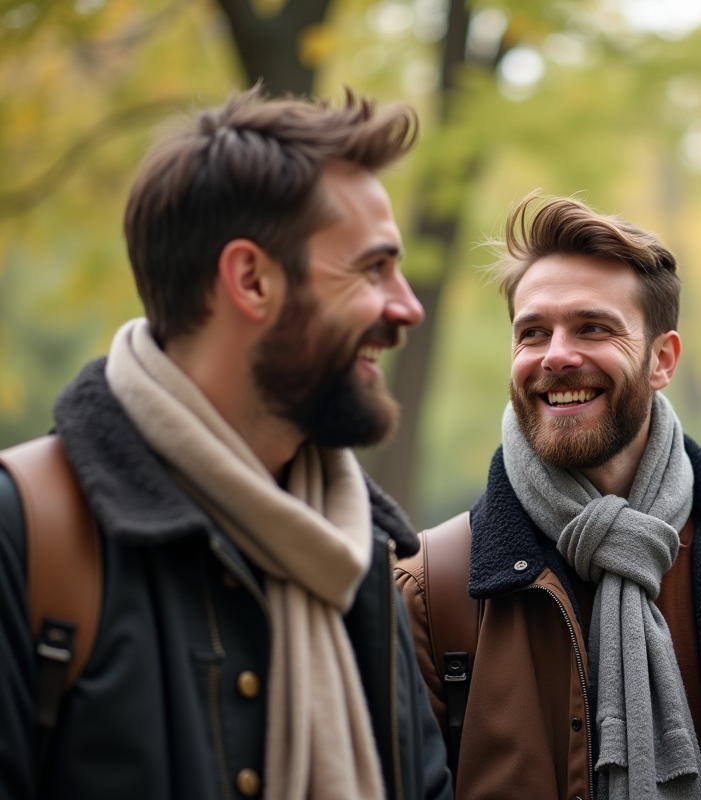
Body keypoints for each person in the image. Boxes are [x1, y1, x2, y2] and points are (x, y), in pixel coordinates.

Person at [0, 88, 452, 800]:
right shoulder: (25, 531)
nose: (408, 306)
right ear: (250, 279)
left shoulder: (358, 551)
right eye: (372, 268)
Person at [395, 194, 701, 800]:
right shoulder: (429, 591)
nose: (557, 356)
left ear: (662, 360)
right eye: (533, 332)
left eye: (593, 328)